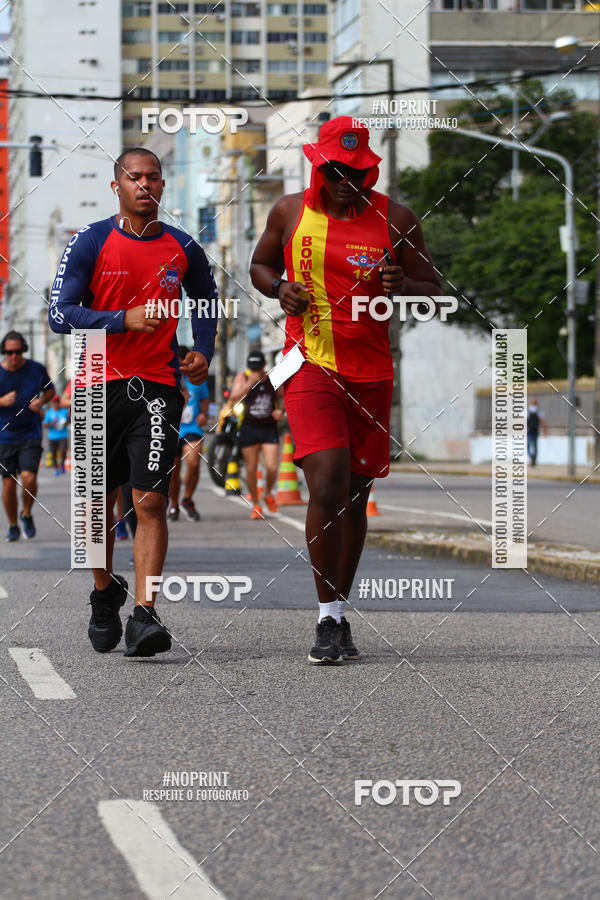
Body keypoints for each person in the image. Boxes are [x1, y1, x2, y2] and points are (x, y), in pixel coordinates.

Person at [250, 116, 441, 664]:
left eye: (355, 172)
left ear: (370, 170)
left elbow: (434, 287)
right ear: (318, 166)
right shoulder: (289, 211)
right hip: (308, 363)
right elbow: (260, 264)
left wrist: (405, 286)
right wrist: (280, 288)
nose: (343, 181)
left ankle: (338, 614)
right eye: (333, 169)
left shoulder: (397, 219)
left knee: (356, 494)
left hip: (372, 373)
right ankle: (324, 617)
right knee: (328, 481)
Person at [49, 147, 218, 657]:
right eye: (135, 177)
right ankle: (105, 594)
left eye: (154, 178)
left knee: (148, 501)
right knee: (96, 509)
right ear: (116, 186)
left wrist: (203, 351)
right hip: (97, 382)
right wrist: (121, 319)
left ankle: (145, 614)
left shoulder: (184, 246)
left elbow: (205, 299)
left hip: (158, 385)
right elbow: (60, 315)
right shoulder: (89, 241)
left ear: (164, 185)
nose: (146, 185)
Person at [0, 331, 55, 541]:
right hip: (4, 436)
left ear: (23, 349)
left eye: (17, 351)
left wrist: (42, 402)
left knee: (29, 477)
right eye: (9, 352)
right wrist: (2, 402)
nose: (14, 356)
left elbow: (50, 391)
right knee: (8, 484)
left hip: (31, 433)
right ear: (4, 352)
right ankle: (13, 524)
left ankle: (27, 513)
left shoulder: (36, 369)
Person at [229, 349, 284, 519]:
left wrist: (280, 410)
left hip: (269, 428)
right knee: (251, 468)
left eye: (258, 367)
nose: (255, 370)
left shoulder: (271, 377)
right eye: (252, 367)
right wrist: (248, 385)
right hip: (249, 428)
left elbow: (283, 397)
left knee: (272, 467)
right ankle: (256, 504)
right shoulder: (243, 378)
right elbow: (233, 398)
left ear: (264, 366)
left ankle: (267, 493)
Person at [168, 344, 210, 522]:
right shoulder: (168, 376)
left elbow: (205, 399)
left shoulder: (196, 378)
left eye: (183, 364)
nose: (181, 368)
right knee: (173, 471)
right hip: (171, 430)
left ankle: (187, 498)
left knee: (193, 460)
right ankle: (174, 504)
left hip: (191, 428)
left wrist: (204, 414)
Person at [43, 394, 69, 475]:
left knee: (63, 451)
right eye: (54, 402)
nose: (56, 404)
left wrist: (65, 423)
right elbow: (45, 425)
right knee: (53, 453)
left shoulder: (64, 411)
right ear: (52, 403)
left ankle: (62, 466)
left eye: (57, 402)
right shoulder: (49, 412)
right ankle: (55, 468)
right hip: (53, 436)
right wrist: (51, 423)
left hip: (63, 435)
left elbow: (70, 420)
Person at [527, 396, 547, 466]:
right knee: (529, 445)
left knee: (533, 445)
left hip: (534, 431)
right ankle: (532, 457)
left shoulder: (538, 411)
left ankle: (533, 458)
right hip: (529, 431)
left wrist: (545, 431)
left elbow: (542, 422)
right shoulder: (528, 410)